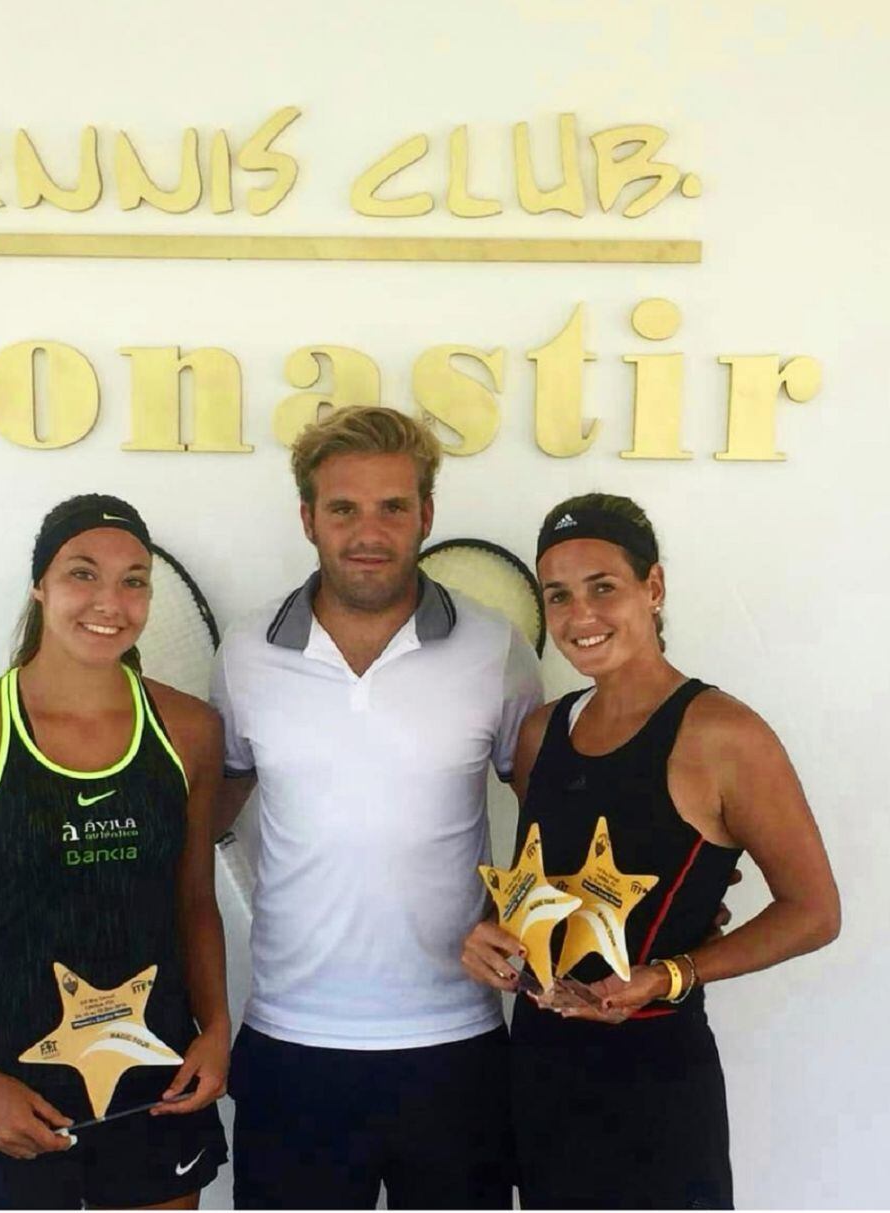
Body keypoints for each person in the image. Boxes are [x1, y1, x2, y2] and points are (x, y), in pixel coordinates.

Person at [461, 492, 840, 1210]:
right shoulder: (542, 731)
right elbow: (533, 891)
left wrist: (669, 974)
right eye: (560, 595)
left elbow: (815, 911)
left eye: (603, 586)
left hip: (656, 1083)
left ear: (653, 587)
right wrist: (491, 934)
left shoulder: (723, 735)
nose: (581, 616)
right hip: (539, 1071)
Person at [210, 407, 543, 1209]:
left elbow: (552, 820)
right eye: (343, 508)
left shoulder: (495, 647)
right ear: (308, 518)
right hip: (291, 1044)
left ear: (426, 514)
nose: (370, 530)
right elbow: (202, 819)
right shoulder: (247, 653)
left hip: (457, 1045)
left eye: (394, 506)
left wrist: (532, 929)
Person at [0, 494, 230, 1210]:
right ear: (40, 584)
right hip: (9, 1089)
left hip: (154, 1082)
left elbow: (194, 899)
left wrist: (217, 1028)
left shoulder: (189, 730)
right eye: (83, 573)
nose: (112, 600)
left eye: (135, 579)